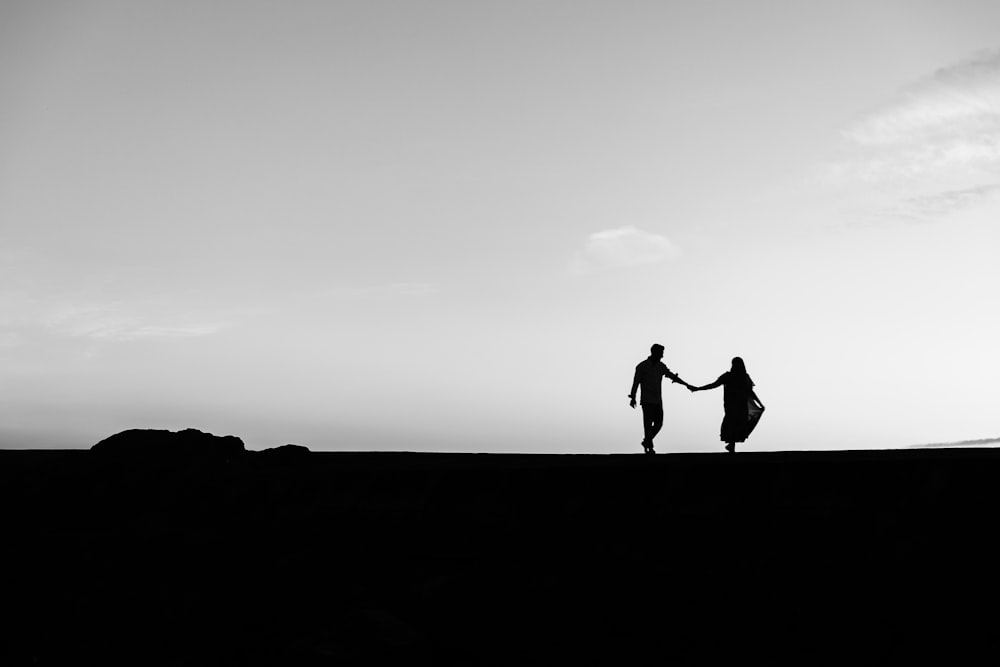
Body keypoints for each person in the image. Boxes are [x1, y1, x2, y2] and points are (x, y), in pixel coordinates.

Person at [689, 357, 765, 453]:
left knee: (734, 424)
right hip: (735, 405)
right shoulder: (740, 377)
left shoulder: (734, 377)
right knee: (734, 424)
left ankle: (731, 446)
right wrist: (698, 388)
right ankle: (731, 446)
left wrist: (698, 388)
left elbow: (749, 392)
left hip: (736, 405)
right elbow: (750, 392)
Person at [629, 343, 692, 454]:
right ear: (654, 352)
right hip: (646, 400)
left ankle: (647, 441)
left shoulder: (661, 366)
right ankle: (649, 447)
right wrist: (633, 397)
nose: (662, 355)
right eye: (661, 353)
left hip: (657, 400)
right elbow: (636, 382)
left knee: (659, 424)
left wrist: (686, 384)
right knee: (647, 425)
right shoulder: (642, 366)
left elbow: (671, 376)